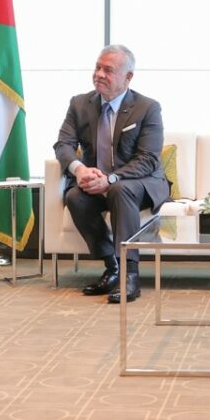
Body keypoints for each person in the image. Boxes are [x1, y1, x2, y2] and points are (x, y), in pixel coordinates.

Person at [53, 45, 170, 304]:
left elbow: (148, 159)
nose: (99, 74)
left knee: (119, 190)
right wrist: (80, 169)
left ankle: (130, 275)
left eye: (108, 70)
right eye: (97, 67)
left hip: (140, 183)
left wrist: (110, 179)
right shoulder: (79, 104)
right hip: (99, 181)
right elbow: (63, 144)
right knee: (75, 197)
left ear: (128, 77)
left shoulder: (147, 108)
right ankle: (112, 267)